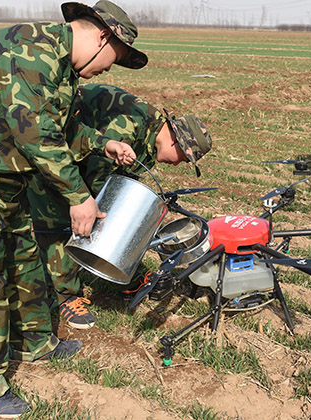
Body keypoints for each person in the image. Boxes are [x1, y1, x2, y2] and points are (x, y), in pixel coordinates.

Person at [0, 1, 147, 417]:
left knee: (24, 261)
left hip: (5, 177)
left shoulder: (61, 66)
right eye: (112, 61)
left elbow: (58, 124)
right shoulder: (31, 48)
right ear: (102, 37)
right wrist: (79, 197)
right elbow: (34, 130)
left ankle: (36, 342)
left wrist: (104, 143)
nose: (107, 72)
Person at [28, 83, 213, 329]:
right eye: (184, 158)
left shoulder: (150, 138)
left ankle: (130, 278)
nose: (179, 165)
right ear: (176, 142)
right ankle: (66, 296)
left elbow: (125, 181)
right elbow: (96, 179)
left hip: (86, 153)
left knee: (112, 215)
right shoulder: (127, 127)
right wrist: (88, 207)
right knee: (64, 220)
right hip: (55, 148)